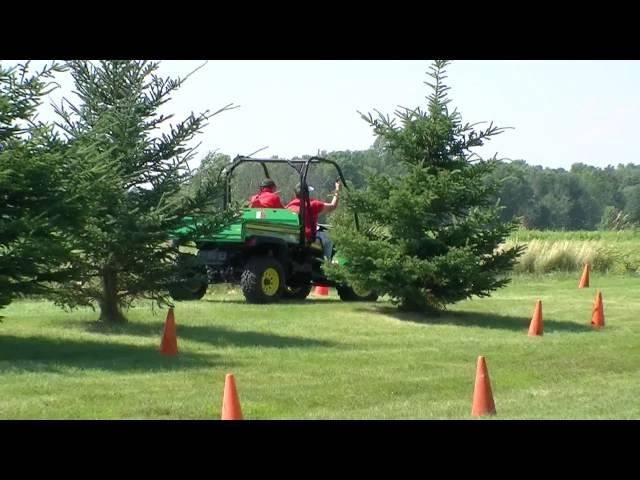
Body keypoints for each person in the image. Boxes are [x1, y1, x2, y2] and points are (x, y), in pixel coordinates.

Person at [286, 180, 341, 261]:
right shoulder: (312, 205)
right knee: (330, 239)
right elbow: (333, 206)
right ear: (307, 193)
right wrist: (338, 189)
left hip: (292, 238)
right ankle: (327, 265)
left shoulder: (289, 206)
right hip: (307, 238)